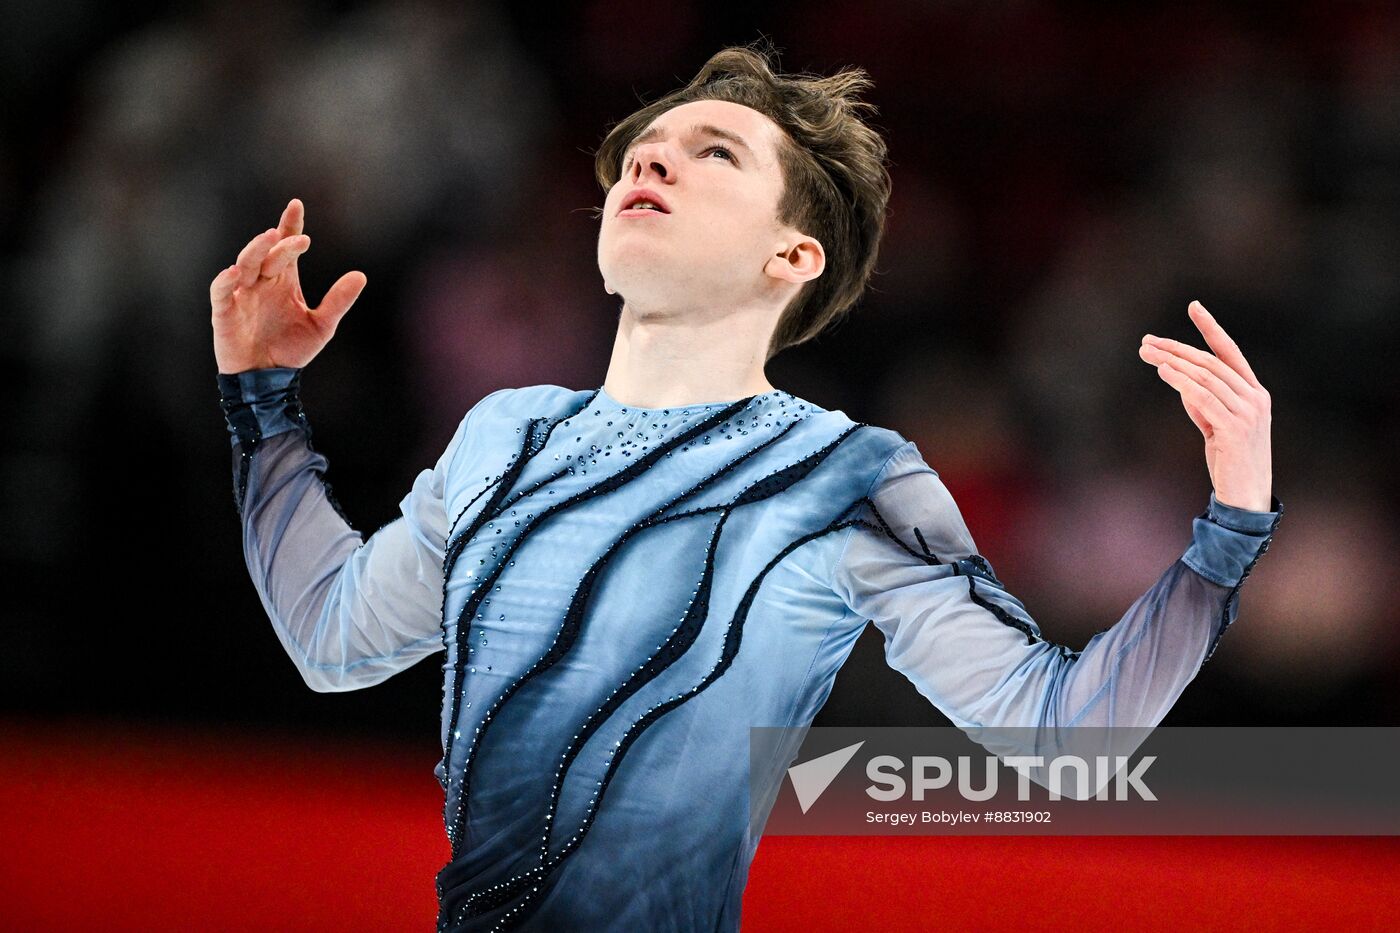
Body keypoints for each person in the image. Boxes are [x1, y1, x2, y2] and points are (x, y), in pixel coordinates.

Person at [211, 44, 1282, 933]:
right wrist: (262, 399)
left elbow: (1062, 740)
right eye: (642, 148)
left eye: (710, 151)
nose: (651, 162)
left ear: (793, 256)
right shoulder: (504, 433)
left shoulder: (845, 476)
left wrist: (1227, 528)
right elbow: (333, 639)